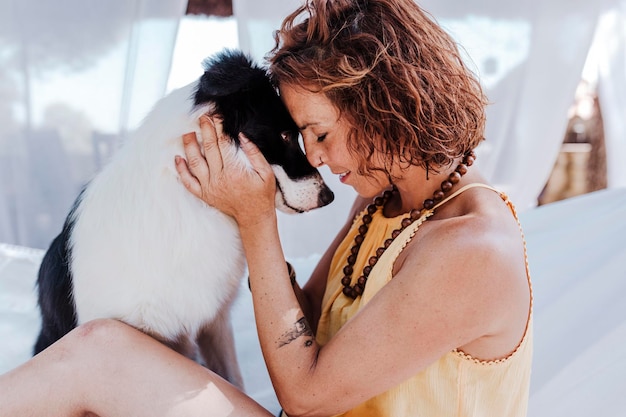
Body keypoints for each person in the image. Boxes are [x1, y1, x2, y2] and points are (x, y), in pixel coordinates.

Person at [0, 0, 533, 416]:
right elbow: (301, 320)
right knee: (102, 352)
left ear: (384, 106)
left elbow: (305, 396)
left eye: (319, 135)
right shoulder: (385, 205)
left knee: (97, 352)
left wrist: (257, 221)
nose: (316, 159)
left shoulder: (471, 249)